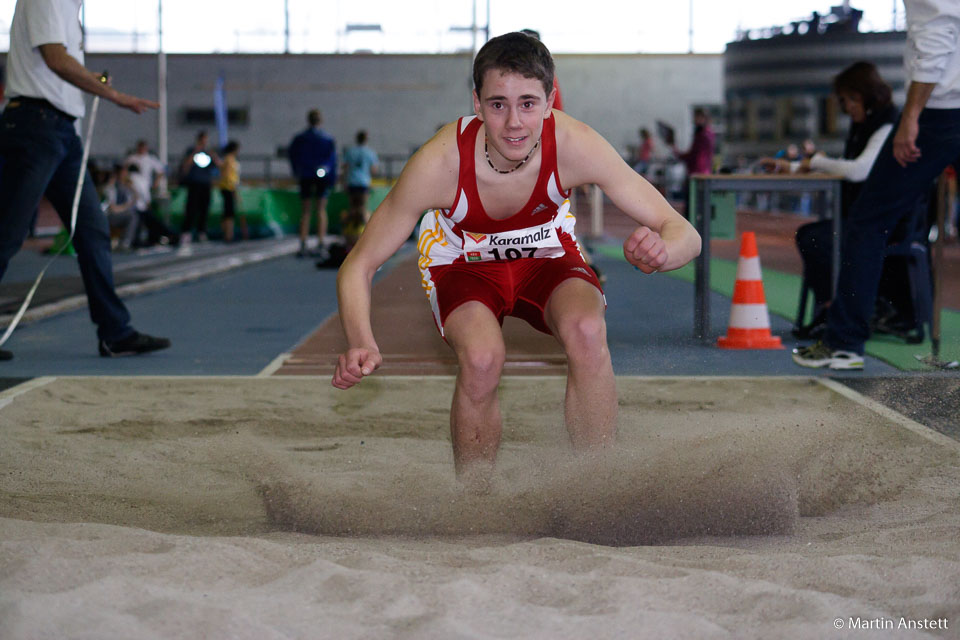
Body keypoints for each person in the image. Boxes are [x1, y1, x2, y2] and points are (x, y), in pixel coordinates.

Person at [331, 32, 701, 485]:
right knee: (484, 358)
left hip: (545, 255)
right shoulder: (440, 162)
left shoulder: (574, 144)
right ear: (476, 103)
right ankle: (476, 496)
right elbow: (360, 264)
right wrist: (360, 340)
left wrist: (664, 253)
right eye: (498, 104)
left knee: (587, 329)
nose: (513, 123)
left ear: (550, 102)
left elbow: (684, 233)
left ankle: (598, 482)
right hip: (462, 264)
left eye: (527, 103)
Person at [793, 0, 960, 370]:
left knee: (867, 223)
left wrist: (911, 116)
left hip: (942, 112)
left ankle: (844, 343)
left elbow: (936, 36)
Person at [0, 0, 170, 361]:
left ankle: (115, 333)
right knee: (7, 232)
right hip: (35, 125)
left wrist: (96, 81)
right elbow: (55, 59)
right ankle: (115, 330)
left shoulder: (70, 10)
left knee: (93, 231)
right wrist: (112, 94)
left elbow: (59, 65)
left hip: (62, 131)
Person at [761, 61, 899, 339]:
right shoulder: (864, 124)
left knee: (817, 237)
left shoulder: (886, 123)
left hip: (887, 221)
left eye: (848, 99)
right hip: (862, 216)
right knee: (813, 234)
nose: (845, 107)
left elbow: (858, 169)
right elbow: (843, 165)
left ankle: (836, 310)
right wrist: (795, 167)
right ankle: (830, 308)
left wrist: (816, 161)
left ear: (864, 94)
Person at [289, 109, 337, 257]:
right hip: (320, 175)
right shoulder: (327, 139)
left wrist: (298, 171)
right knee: (320, 209)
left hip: (306, 175)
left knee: (306, 211)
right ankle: (320, 242)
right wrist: (330, 178)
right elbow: (332, 160)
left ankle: (304, 242)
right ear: (320, 121)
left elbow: (293, 156)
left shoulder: (300, 138)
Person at [178, 131, 219, 251]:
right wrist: (195, 151)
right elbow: (186, 165)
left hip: (206, 183)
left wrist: (212, 154)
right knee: (191, 208)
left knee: (204, 208)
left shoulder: (209, 152)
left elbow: (218, 165)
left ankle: (202, 232)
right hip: (194, 183)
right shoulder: (191, 150)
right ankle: (186, 232)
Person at [342, 130, 379, 227]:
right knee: (363, 209)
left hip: (352, 182)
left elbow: (345, 168)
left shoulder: (350, 151)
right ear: (366, 139)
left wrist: (343, 182)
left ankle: (346, 231)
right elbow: (374, 170)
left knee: (352, 209)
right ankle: (367, 233)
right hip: (363, 183)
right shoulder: (370, 153)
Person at [216, 140, 247, 242]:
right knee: (229, 212)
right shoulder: (229, 160)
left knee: (228, 211)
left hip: (228, 187)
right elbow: (228, 176)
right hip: (228, 188)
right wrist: (234, 188)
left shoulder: (229, 159)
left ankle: (227, 234)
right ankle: (228, 235)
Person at [102, 164, 137, 250]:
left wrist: (132, 188)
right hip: (108, 215)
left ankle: (130, 241)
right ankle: (125, 242)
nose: (125, 175)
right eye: (123, 173)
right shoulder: (110, 188)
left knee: (139, 214)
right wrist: (126, 207)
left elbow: (136, 199)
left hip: (121, 213)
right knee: (132, 216)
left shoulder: (125, 188)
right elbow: (113, 208)